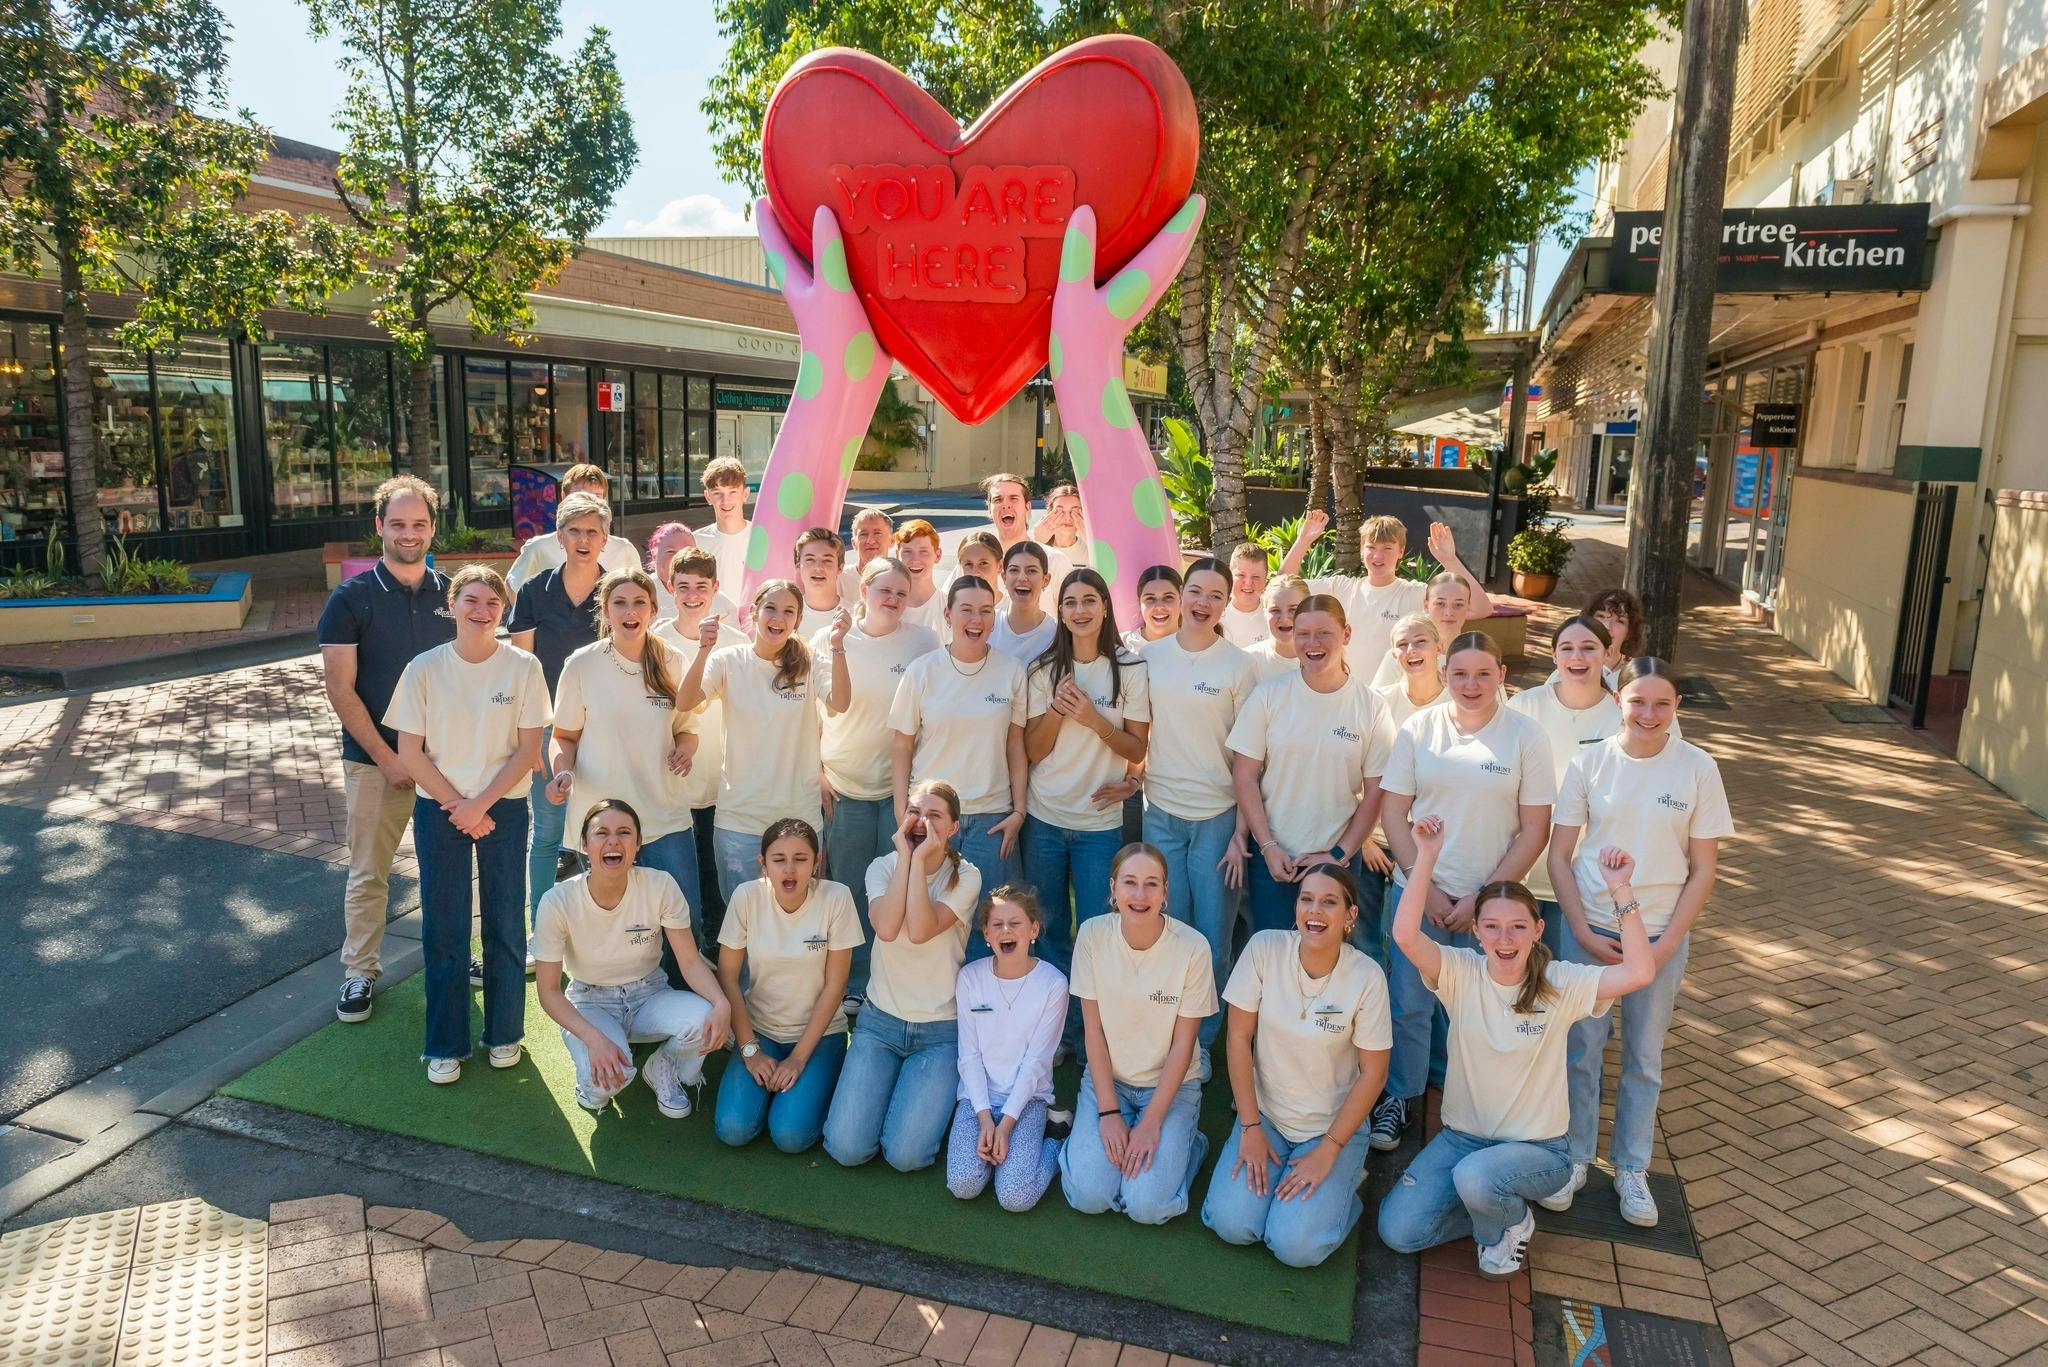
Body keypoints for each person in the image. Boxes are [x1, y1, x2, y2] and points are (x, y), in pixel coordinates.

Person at [1377, 816, 1654, 1278]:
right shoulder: (1460, 972)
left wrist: (1621, 891)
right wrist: (1425, 857)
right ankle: (1496, 1206)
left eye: (1517, 927)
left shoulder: (1560, 982)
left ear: (1538, 930)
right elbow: (1406, 936)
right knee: (1400, 1232)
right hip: (1463, 1140)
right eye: (1493, 927)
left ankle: (1507, 1223)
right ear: (1478, 932)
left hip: (1539, 1150)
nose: (1505, 940)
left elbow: (1639, 973)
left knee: (1477, 1178)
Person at [1542, 658, 1732, 1226]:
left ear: (1676, 709)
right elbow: (1559, 854)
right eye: (1638, 702)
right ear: (1617, 700)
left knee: (1644, 1059)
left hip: (1658, 935)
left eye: (1662, 704)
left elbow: (1703, 869)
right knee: (1581, 1051)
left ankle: (1630, 1169)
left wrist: (1668, 940)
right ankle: (1574, 1158)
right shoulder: (1590, 762)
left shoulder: (1697, 768)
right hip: (1593, 931)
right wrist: (1577, 927)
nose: (1649, 715)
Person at [1372, 631, 1555, 1152]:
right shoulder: (1418, 728)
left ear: (1502, 676)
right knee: (1409, 1002)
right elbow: (1393, 812)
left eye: (1482, 674)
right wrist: (1424, 887)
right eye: (1459, 673)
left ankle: (1476, 1107)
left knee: (1481, 1009)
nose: (1470, 684)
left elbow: (1535, 829)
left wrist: (1484, 898)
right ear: (1444, 674)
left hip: (1491, 905)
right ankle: (1402, 1098)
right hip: (1419, 892)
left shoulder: (1525, 736)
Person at [385, 565, 550, 1084]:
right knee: (445, 929)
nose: (482, 611)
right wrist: (460, 804)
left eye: (493, 603)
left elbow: (528, 752)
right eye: (472, 600)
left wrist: (481, 805)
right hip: (441, 809)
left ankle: (504, 1035)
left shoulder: (524, 667)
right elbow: (409, 752)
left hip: (502, 806)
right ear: (452, 605)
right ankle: (444, 1044)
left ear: (503, 610)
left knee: (504, 925)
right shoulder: (424, 669)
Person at [1201, 863, 1391, 1267]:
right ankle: (1295, 1185)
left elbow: (1374, 1073)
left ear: (1350, 916)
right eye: (1307, 899)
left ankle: (1344, 1192)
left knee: (1295, 1247)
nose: (1315, 911)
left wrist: (1330, 1149)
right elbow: (1237, 1039)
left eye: (1328, 902)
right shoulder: (1265, 948)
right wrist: (1250, 1127)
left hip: (1331, 1126)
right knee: (1230, 1223)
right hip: (1267, 1118)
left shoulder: (1367, 976)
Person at [318, 475, 455, 1023]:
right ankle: (359, 973)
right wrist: (388, 757)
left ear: (431, 528)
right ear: (379, 527)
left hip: (447, 761)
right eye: (398, 524)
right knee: (370, 871)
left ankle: (455, 953)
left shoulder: (453, 594)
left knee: (446, 867)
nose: (409, 533)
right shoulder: (350, 598)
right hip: (375, 761)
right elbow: (340, 688)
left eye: (419, 524)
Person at [532, 799, 731, 1116]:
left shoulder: (660, 885)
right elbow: (549, 991)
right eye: (601, 833)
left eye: (624, 833)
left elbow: (690, 961)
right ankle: (593, 1081)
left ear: (638, 844)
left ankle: (662, 1067)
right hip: (590, 1001)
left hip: (649, 992)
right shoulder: (558, 901)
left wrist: (721, 1003)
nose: (613, 841)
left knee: (706, 1017)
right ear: (584, 844)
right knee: (606, 1085)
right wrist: (593, 1038)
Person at [823, 782, 982, 1170]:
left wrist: (920, 859)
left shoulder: (967, 877)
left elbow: (921, 929)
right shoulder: (882, 867)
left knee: (906, 1156)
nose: (922, 822)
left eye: (934, 815)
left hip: (939, 1034)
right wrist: (907, 861)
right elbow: (889, 928)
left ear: (953, 827)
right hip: (880, 1025)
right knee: (847, 1149)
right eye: (915, 812)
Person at [1137, 557, 1260, 1059]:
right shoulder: (1149, 657)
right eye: (1195, 591)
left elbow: (1250, 761)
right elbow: (1139, 732)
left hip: (1217, 819)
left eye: (1215, 596)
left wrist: (1240, 835)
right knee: (1166, 929)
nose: (1202, 603)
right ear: (1180, 594)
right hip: (1161, 811)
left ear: (1227, 604)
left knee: (1211, 937)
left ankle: (1202, 1043)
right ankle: (1166, 1030)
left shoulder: (1238, 666)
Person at [1060, 844, 1218, 1224]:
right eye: (1129, 883)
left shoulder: (1193, 948)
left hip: (1170, 1087)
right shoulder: (1092, 935)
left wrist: (1149, 1124)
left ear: (1166, 893)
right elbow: (1093, 1031)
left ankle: (1190, 1144)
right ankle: (1121, 1142)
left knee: (1146, 1205)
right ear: (1113, 889)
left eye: (1151, 884)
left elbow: (1184, 1044)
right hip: (1109, 1083)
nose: (1140, 895)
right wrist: (1109, 1111)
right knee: (1088, 1195)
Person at [1023, 568, 1151, 1022]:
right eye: (1071, 602)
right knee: (1051, 927)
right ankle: (1058, 1025)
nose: (1080, 610)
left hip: (1100, 825)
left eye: (1089, 601)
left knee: (1099, 929)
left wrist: (1096, 721)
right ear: (1059, 611)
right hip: (1045, 820)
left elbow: (1138, 748)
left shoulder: (1131, 669)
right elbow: (1034, 751)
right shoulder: (1042, 670)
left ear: (1104, 607)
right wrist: (1059, 710)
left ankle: (1092, 1028)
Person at [1228, 594, 1394, 935]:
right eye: (1303, 634)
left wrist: (1338, 854)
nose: (1312, 644)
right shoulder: (1269, 696)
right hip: (1275, 860)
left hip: (1339, 863)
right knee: (1275, 957)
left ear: (1346, 634)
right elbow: (1245, 775)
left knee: (1332, 963)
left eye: (1324, 633)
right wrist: (1268, 847)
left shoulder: (1371, 707)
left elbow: (1377, 791)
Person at [816, 557, 941, 978]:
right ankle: (852, 981)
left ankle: (892, 976)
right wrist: (817, 772)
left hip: (899, 792)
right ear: (862, 590)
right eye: (883, 590)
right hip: (845, 788)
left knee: (896, 887)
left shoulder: (923, 642)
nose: (893, 599)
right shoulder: (830, 639)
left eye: (901, 593)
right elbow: (811, 713)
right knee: (850, 891)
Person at [546, 568, 700, 904]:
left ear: (654, 609)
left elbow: (686, 729)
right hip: (604, 824)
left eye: (639, 602)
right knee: (613, 925)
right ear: (605, 610)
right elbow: (564, 736)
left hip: (664, 817)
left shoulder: (674, 661)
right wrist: (562, 772)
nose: (630, 611)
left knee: (685, 922)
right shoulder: (582, 665)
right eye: (619, 603)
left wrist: (685, 751)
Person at [714, 820, 863, 1151]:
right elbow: (727, 977)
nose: (790, 868)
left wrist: (797, 1059)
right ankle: (774, 1091)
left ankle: (821, 1084)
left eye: (801, 858)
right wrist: (750, 1052)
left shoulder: (836, 898)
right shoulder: (746, 897)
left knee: (790, 1136)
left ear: (817, 860)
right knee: (733, 1129)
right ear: (762, 863)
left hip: (820, 1036)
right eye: (779, 859)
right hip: (761, 1032)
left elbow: (836, 986)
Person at [678, 579, 824, 902]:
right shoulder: (728, 659)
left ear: (798, 620)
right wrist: (703, 650)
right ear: (754, 612)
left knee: (796, 920)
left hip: (799, 817)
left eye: (789, 611)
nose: (778, 618)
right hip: (739, 822)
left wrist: (838, 647)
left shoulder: (811, 662)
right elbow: (685, 701)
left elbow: (840, 703)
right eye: (770, 608)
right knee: (742, 927)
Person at [889, 575, 1028, 899]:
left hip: (992, 819)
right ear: (948, 615)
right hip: (931, 816)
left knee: (990, 922)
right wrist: (902, 813)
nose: (976, 620)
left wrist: (1018, 811)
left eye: (986, 610)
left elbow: (1015, 744)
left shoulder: (1012, 670)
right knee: (928, 919)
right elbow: (901, 745)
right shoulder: (922, 671)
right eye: (966, 610)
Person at [509, 490, 609, 929]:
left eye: (592, 531)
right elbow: (522, 669)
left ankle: (598, 931)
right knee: (548, 834)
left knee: (600, 833)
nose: (583, 539)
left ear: (606, 538)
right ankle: (542, 931)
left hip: (604, 731)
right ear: (560, 536)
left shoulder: (618, 592)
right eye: (574, 531)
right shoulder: (534, 591)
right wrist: (528, 739)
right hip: (550, 730)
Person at [651, 548, 750, 951]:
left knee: (715, 873)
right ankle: (679, 952)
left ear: (716, 589)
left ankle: (717, 948)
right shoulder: (655, 640)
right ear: (670, 588)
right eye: (684, 587)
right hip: (671, 778)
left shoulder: (737, 642)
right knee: (678, 875)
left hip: (720, 778)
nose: (693, 596)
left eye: (701, 588)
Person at [1505, 616, 1621, 957]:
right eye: (1567, 649)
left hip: (1588, 880)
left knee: (1569, 987)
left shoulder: (1623, 715)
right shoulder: (1524, 705)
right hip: (1521, 871)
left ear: (1608, 653)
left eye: (1589, 648)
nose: (1577, 658)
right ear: (1554, 656)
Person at [948, 886, 1068, 1211]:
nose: (1006, 931)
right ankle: (997, 1155)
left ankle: (1057, 1142)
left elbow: (1036, 1063)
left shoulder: (1054, 985)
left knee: (1015, 1197)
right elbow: (969, 1056)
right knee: (963, 1184)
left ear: (1033, 930)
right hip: (977, 1101)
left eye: (1015, 923)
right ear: (986, 933)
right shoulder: (970, 978)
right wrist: (986, 1121)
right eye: (997, 924)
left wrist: (1006, 1125)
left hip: (1027, 1100)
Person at [1282, 511, 1492, 678]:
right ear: (1362, 550)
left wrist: (1450, 560)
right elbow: (1283, 586)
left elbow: (1481, 608)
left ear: (1401, 551)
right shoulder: (1341, 588)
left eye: (1387, 548)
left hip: (1392, 699)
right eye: (1371, 547)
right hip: (1347, 696)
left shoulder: (1414, 593)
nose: (1377, 556)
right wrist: (1303, 541)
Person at [505, 464, 638, 592]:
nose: (587, 503)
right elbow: (513, 585)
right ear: (563, 497)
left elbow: (641, 592)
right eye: (579, 496)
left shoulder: (623, 549)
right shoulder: (539, 547)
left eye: (596, 496)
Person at [1370, 571, 1485, 689]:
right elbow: (1373, 704)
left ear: (1468, 606)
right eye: (1440, 603)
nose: (1449, 612)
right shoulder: (1402, 655)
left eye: (1458, 604)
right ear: (1426, 606)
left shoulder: (1481, 658)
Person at [978, 471, 1071, 604]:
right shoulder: (974, 561)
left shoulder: (1055, 561)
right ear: (989, 510)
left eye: (1013, 498)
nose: (1006, 505)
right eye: (998, 500)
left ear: (1027, 507)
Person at [646, 521, 738, 623]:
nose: (679, 557)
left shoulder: (722, 605)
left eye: (687, 551)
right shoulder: (641, 593)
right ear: (654, 556)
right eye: (671, 552)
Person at [1373, 614, 1449, 729]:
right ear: (1394, 656)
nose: (1411, 649)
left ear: (1438, 648)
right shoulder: (1379, 702)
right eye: (1402, 644)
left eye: (1420, 641)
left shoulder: (1459, 703)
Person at [692, 456, 753, 595]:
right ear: (708, 497)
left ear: (745, 494)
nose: (725, 501)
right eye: (717, 493)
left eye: (733, 492)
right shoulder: (695, 543)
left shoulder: (760, 537)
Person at [991, 541, 1055, 662]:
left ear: (1046, 580)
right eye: (1014, 570)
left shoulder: (1056, 635)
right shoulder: (988, 625)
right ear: (1004, 577)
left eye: (1031, 571)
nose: (1022, 577)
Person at [1245, 575, 1309, 683]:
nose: (1284, 619)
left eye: (1293, 609)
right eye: (1275, 610)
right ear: (1265, 612)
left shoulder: (1324, 660)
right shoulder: (1246, 661)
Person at [794, 526, 852, 642]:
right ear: (798, 565)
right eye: (810, 559)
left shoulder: (855, 617)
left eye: (827, 561)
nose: (818, 568)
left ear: (840, 567)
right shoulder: (786, 617)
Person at [893, 518, 948, 634]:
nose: (915, 560)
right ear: (897, 555)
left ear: (938, 555)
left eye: (923, 552)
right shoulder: (888, 606)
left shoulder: (949, 608)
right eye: (907, 552)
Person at [1221, 542, 1272, 647]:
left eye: (1256, 577)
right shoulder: (1217, 617)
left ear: (1265, 580)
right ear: (1230, 576)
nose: (1248, 583)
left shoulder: (1274, 615)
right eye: (1241, 575)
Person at [1123, 563, 1182, 653]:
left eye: (1168, 597)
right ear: (1139, 603)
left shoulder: (1199, 646)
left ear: (1182, 599)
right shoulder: (1121, 646)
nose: (1159, 606)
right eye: (1150, 598)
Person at [1033, 483, 1090, 568]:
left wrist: (1091, 541)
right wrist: (1037, 542)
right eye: (1060, 511)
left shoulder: (1090, 549)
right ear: (1050, 513)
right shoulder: (1037, 544)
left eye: (1074, 511)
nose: (1067, 518)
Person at [951, 530, 1006, 606]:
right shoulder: (953, 612)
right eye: (968, 564)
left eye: (983, 563)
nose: (975, 572)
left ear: (999, 566)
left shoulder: (1014, 610)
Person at [850, 506, 895, 573]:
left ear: (891, 540)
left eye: (877, 533)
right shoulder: (839, 580)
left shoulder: (902, 579)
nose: (870, 541)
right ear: (854, 543)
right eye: (863, 534)